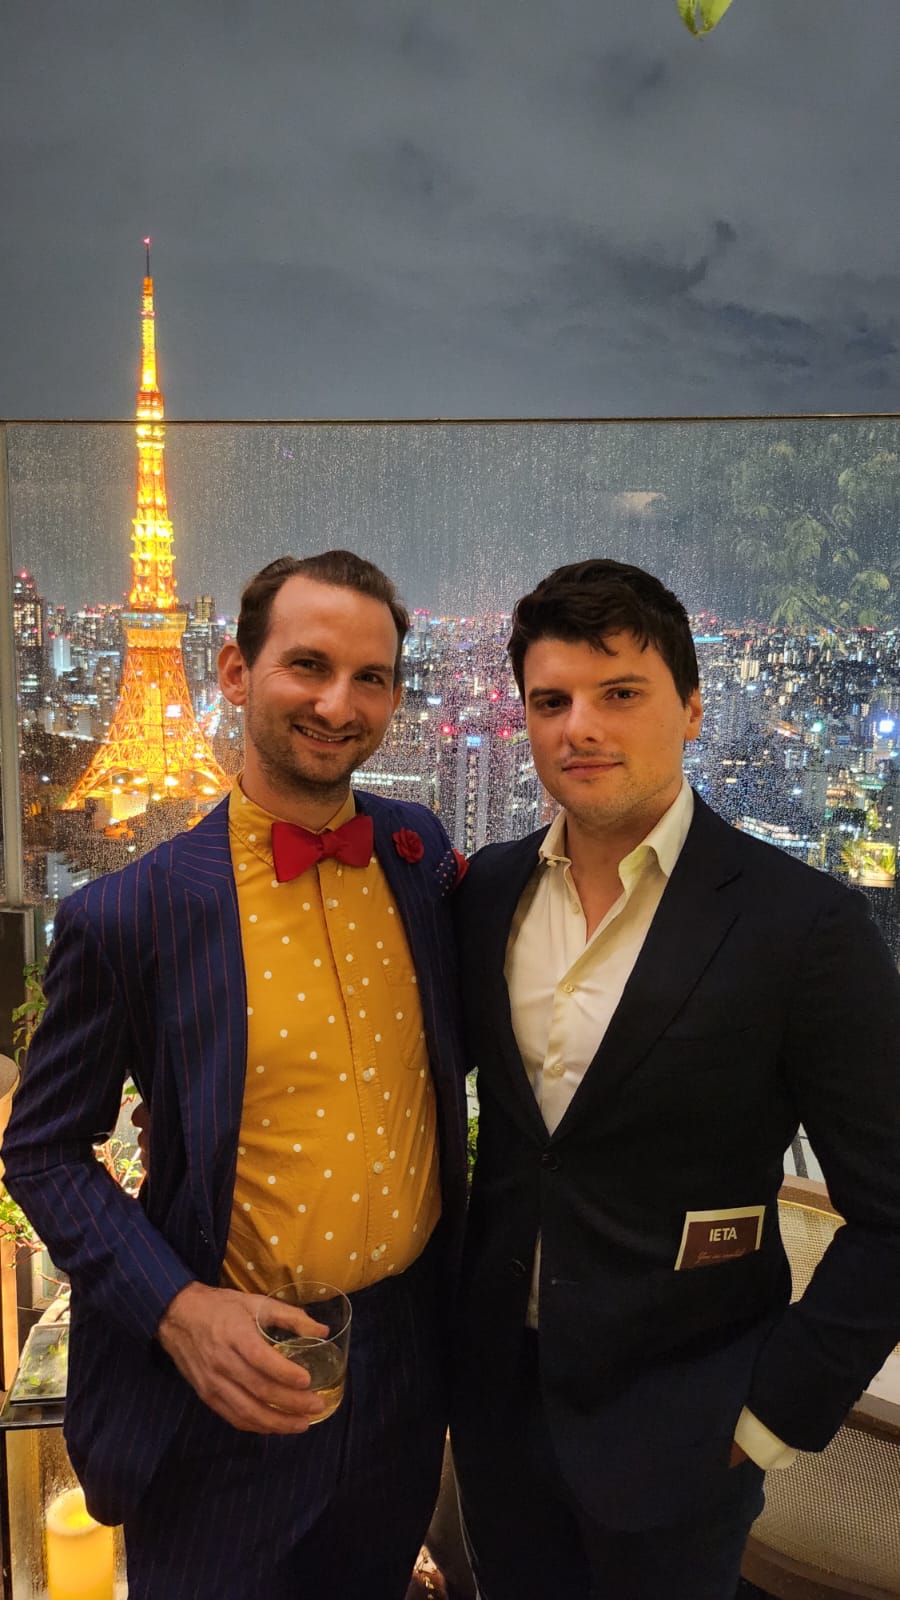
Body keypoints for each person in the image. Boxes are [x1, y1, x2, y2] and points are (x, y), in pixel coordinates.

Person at [3, 550, 468, 1600]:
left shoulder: (417, 851)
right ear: (231, 670)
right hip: (227, 1368)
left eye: (371, 678)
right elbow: (40, 1148)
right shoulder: (130, 913)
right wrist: (175, 1308)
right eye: (307, 665)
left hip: (403, 1363)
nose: (338, 704)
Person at [450, 557, 900, 1600]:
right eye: (550, 701)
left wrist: (772, 1415)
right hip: (496, 1408)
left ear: (692, 708)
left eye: (621, 694)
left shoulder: (804, 926)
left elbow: (891, 1209)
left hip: (686, 1432)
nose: (580, 728)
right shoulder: (489, 893)